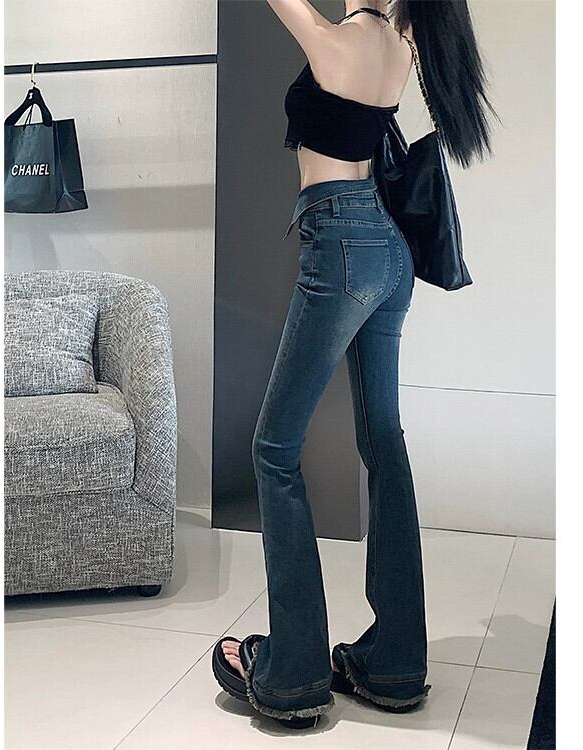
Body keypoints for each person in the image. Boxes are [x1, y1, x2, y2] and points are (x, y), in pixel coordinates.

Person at [212, 0, 495, 730]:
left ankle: (295, 670)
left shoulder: (336, 42)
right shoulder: (403, 45)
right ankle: (395, 663)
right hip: (389, 250)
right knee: (384, 443)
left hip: (339, 243)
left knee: (274, 450)